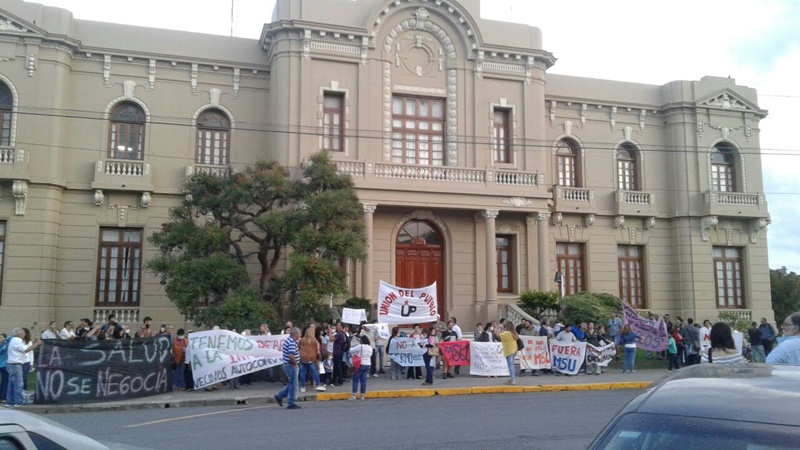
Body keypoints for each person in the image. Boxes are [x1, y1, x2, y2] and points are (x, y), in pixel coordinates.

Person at [5, 328, 43, 407]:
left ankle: (10, 401)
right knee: (19, 384)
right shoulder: (17, 340)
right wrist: (37, 344)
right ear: (19, 334)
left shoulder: (13, 340)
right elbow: (26, 350)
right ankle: (18, 402)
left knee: (11, 384)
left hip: (11, 364)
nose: (25, 334)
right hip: (16, 364)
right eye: (23, 333)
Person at [274, 327, 302, 410]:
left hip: (289, 365)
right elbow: (291, 355)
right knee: (294, 385)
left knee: (292, 383)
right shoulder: (291, 342)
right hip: (291, 365)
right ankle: (291, 402)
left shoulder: (289, 340)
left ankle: (280, 396)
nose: (300, 335)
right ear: (295, 334)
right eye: (299, 333)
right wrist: (296, 364)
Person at [299, 324, 325, 393]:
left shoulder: (301, 340)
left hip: (302, 358)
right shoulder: (314, 341)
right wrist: (319, 357)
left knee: (302, 372)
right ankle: (318, 385)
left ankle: (303, 387)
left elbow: (298, 348)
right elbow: (317, 350)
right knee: (314, 372)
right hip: (311, 358)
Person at [349, 335, 372, 400]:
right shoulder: (370, 347)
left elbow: (351, 350)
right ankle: (362, 395)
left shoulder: (360, 346)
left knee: (355, 379)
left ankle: (354, 395)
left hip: (360, 364)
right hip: (368, 364)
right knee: (363, 380)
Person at [0, 334, 8, 404]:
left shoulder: (6, 345)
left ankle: (3, 397)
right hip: (2, 365)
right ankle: (2, 397)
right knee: (4, 381)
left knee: (5, 381)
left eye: (1, 337)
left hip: (4, 365)